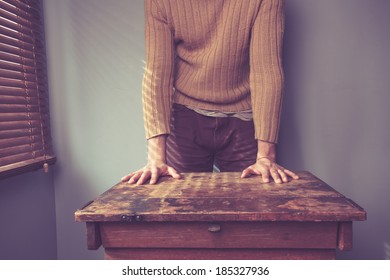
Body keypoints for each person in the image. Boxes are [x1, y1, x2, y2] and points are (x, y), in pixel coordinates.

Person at [122, 0, 299, 185]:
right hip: (184, 118)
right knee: (178, 204)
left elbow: (266, 71)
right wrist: (156, 158)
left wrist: (266, 156)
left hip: (244, 120)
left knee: (254, 203)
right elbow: (157, 74)